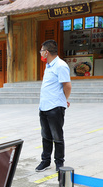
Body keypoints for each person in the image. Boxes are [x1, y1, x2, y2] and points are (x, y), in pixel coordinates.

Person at [36, 39, 71, 172]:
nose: (41, 54)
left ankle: (59, 162)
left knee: (57, 137)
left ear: (47, 52)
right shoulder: (49, 66)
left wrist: (62, 100)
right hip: (44, 107)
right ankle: (45, 161)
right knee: (45, 136)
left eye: (41, 51)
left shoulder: (60, 65)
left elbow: (67, 86)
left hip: (55, 108)